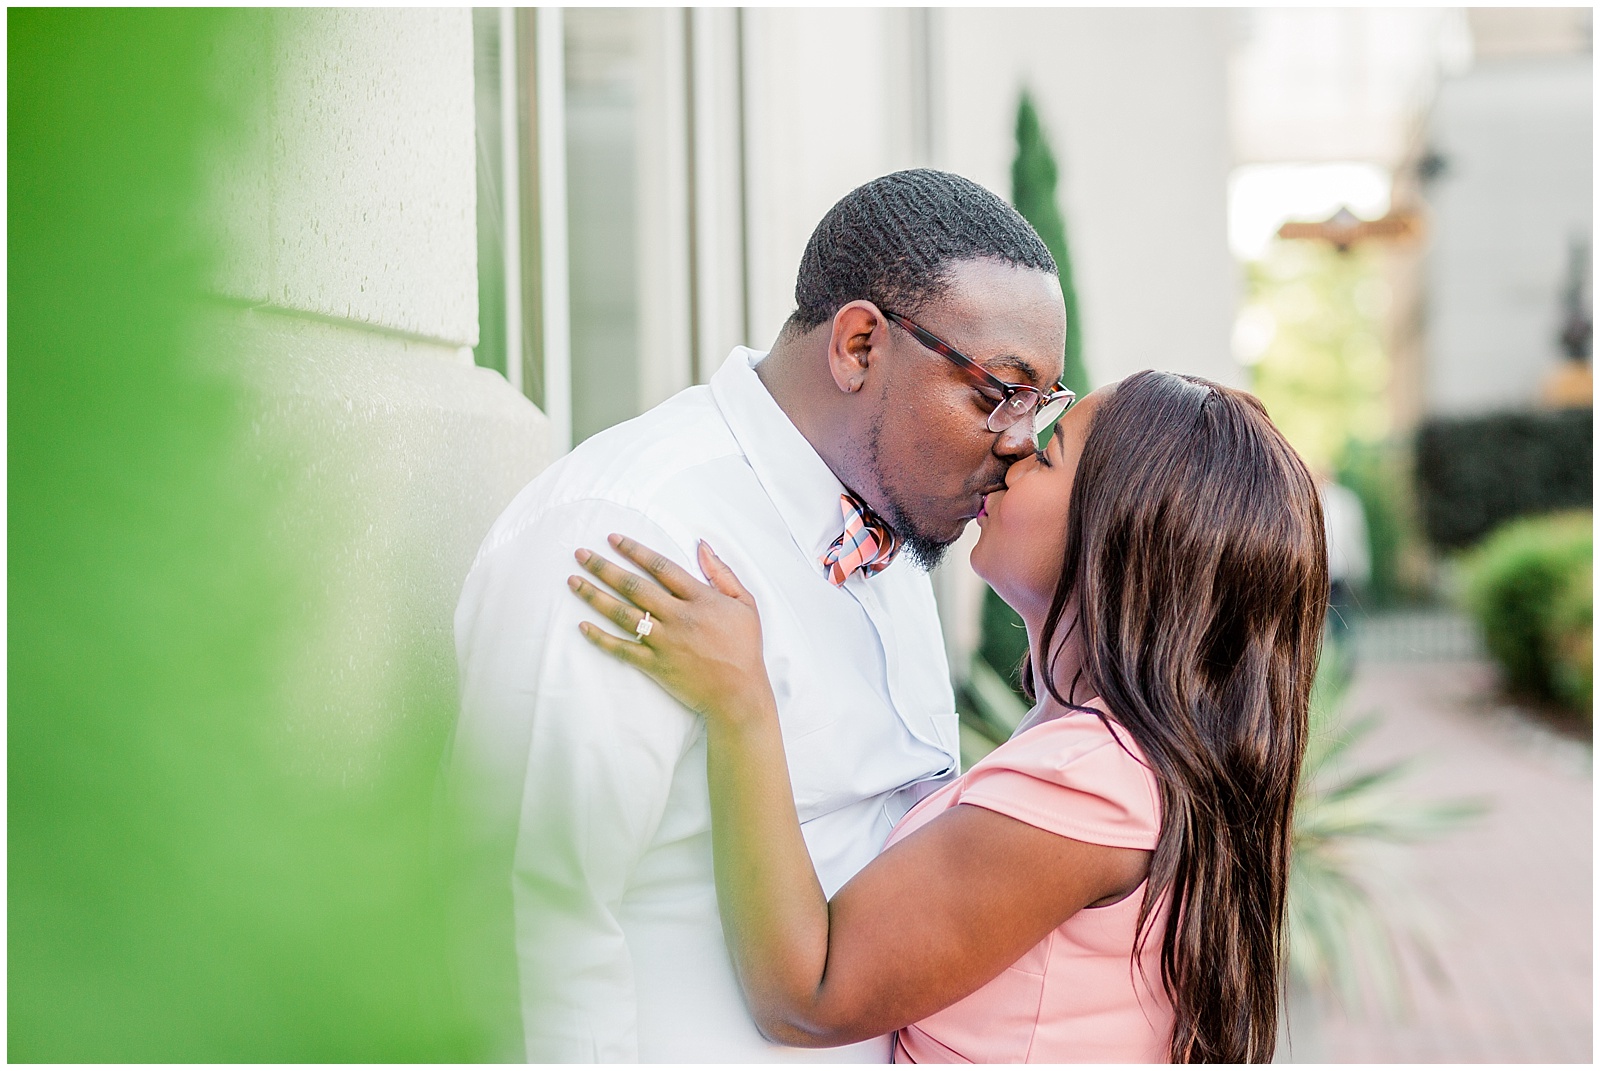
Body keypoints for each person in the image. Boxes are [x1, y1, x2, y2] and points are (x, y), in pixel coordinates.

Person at [449, 169, 1070, 1060]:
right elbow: (519, 926)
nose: (1020, 439)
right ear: (859, 345)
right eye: (998, 390)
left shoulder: (897, 528)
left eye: (1043, 402)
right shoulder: (629, 533)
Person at [567, 371, 1329, 1062]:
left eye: (1049, 453)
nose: (1014, 446)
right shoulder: (1121, 760)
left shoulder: (1092, 782)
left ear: (1119, 544)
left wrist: (741, 702)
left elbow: (809, 994)